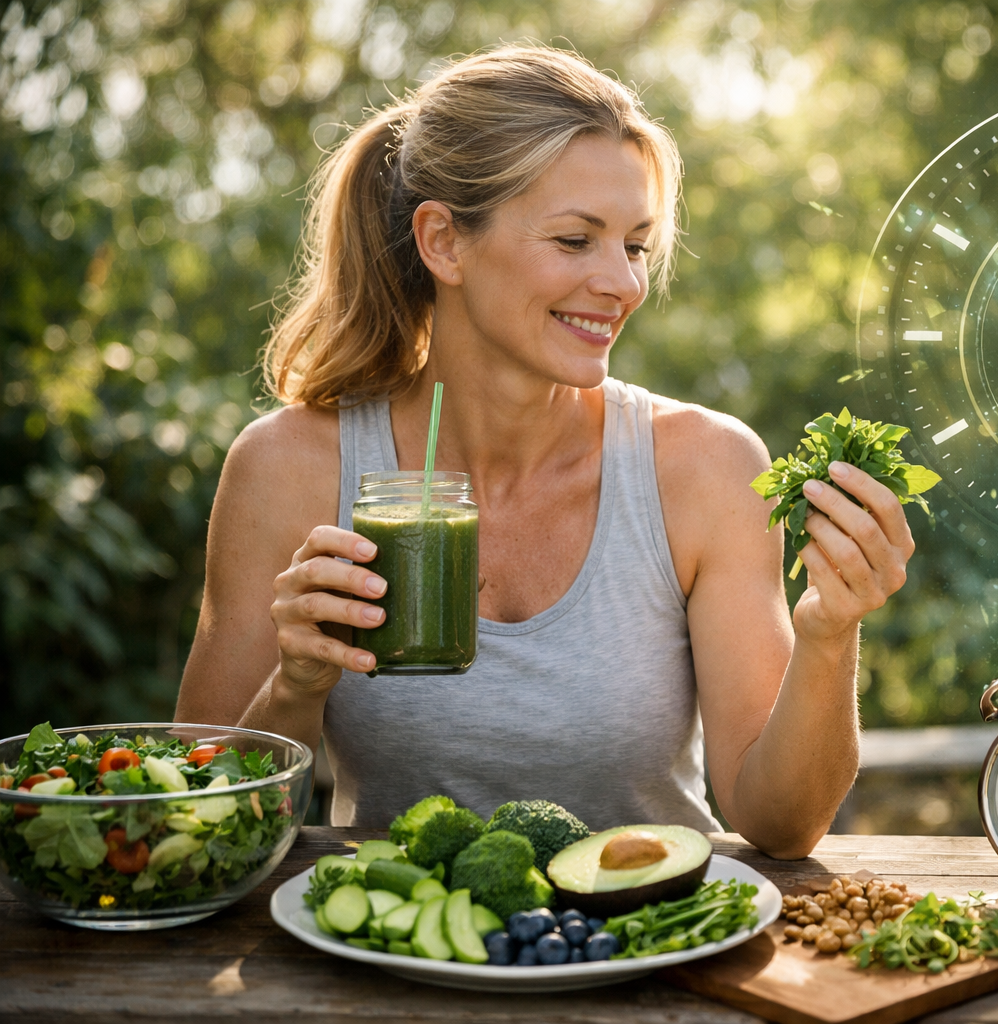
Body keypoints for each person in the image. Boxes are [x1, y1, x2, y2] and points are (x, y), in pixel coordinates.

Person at [173, 46, 914, 859]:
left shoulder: (704, 468)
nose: (624, 284)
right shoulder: (290, 470)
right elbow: (201, 820)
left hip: (656, 946)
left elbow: (781, 823)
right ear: (444, 243)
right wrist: (296, 686)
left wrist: (829, 634)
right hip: (396, 960)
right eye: (574, 240)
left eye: (634, 245)